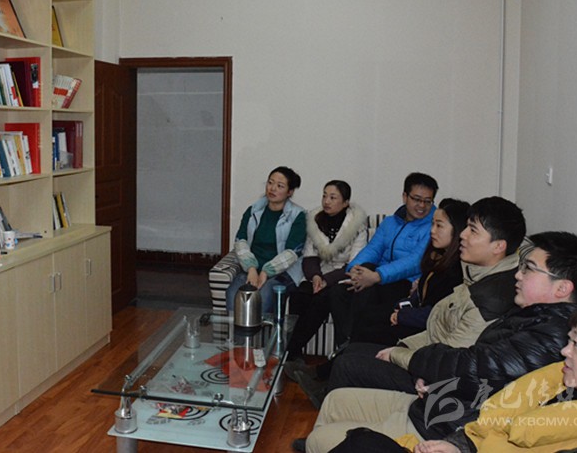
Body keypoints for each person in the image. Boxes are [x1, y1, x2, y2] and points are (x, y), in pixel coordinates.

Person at [299, 231, 577, 453]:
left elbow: (476, 367)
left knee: (319, 439)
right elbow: (483, 370)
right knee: (335, 401)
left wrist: (424, 365)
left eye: (529, 269)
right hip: (434, 403)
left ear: (562, 288)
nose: (518, 275)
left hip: (440, 425)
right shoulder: (531, 315)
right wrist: (437, 379)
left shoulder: (552, 335)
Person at [293, 197, 525, 409]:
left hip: (433, 380)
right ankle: (326, 395)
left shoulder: (488, 296)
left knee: (350, 361)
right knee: (354, 340)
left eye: (472, 230)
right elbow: (437, 330)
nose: (463, 235)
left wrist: (399, 353)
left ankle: (331, 410)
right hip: (428, 354)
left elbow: (451, 360)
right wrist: (403, 346)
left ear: (498, 246)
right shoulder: (475, 273)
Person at [325, 299, 577, 453]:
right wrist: (458, 445)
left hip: (439, 419)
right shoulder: (560, 383)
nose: (565, 351)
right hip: (458, 436)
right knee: (360, 441)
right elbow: (492, 423)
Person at [327, 172, 439, 349]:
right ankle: (345, 344)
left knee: (367, 292)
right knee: (338, 292)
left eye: (427, 201)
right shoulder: (390, 223)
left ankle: (352, 345)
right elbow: (373, 249)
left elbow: (415, 261)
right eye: (417, 199)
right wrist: (354, 269)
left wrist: (377, 276)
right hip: (378, 278)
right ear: (405, 196)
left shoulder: (433, 226)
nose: (422, 206)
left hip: (405, 282)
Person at [286, 180, 369, 360]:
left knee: (322, 301)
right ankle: (295, 353)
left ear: (345, 203)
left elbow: (354, 264)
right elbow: (309, 256)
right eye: (324, 196)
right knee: (298, 296)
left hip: (342, 277)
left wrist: (326, 280)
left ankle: (289, 351)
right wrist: (316, 276)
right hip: (318, 273)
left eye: (333, 197)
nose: (326, 201)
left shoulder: (357, 226)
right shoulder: (315, 220)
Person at [224, 166, 306, 315]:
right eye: (270, 182)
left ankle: (264, 331)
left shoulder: (298, 216)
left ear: (290, 192)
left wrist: (266, 272)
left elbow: (292, 253)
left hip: (283, 272)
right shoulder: (253, 211)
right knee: (234, 294)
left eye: (280, 186)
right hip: (252, 269)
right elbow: (240, 240)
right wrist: (251, 268)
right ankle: (233, 331)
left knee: (265, 296)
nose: (272, 188)